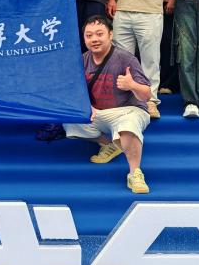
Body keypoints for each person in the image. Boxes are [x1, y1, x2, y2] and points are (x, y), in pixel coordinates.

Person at [63, 15, 152, 194]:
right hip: (99, 114)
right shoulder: (82, 60)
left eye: (99, 34)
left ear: (110, 35)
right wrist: (85, 107)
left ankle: (135, 173)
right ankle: (109, 144)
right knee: (68, 118)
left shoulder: (125, 58)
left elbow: (146, 95)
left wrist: (132, 85)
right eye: (89, 35)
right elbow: (73, 93)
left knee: (128, 124)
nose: (94, 39)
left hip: (128, 111)